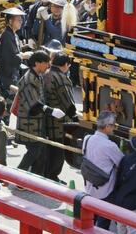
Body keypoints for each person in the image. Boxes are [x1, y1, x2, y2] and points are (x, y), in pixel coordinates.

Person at [16, 50, 62, 177]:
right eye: (46, 63)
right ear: (37, 63)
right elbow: (34, 105)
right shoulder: (28, 79)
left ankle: (36, 179)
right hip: (29, 123)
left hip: (38, 122)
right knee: (34, 151)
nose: (48, 66)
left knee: (41, 152)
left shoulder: (38, 76)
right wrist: (51, 111)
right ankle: (18, 176)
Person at [84, 111, 125, 229]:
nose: (114, 127)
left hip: (90, 186)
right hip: (105, 190)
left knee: (89, 221)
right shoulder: (110, 146)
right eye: (113, 125)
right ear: (107, 126)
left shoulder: (87, 139)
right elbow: (121, 163)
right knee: (103, 224)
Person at [44, 51, 77, 181]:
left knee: (48, 147)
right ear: (65, 65)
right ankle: (52, 175)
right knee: (58, 149)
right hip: (59, 121)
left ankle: (46, 173)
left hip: (45, 116)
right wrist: (75, 118)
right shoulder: (61, 78)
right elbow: (68, 102)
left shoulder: (45, 73)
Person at [0, 7, 25, 101]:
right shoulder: (6, 36)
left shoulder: (14, 35)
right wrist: (24, 55)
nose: (21, 22)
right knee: (8, 105)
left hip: (12, 74)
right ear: (10, 21)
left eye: (21, 20)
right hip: (7, 75)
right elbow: (11, 57)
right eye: (18, 20)